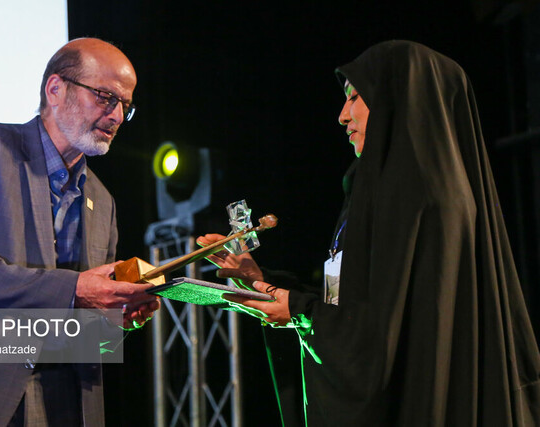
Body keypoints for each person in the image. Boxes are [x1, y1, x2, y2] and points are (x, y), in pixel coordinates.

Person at [198, 40, 540, 425]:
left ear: (401, 99)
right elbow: (359, 307)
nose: (343, 116)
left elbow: (381, 342)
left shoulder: (421, 199)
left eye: (356, 96)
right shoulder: (377, 190)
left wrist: (298, 309)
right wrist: (263, 281)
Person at [0, 38, 159, 426]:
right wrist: (75, 290)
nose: (117, 116)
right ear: (55, 89)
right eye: (106, 97)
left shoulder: (102, 201)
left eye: (125, 105)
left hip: (63, 403)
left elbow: (86, 336)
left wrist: (114, 318)